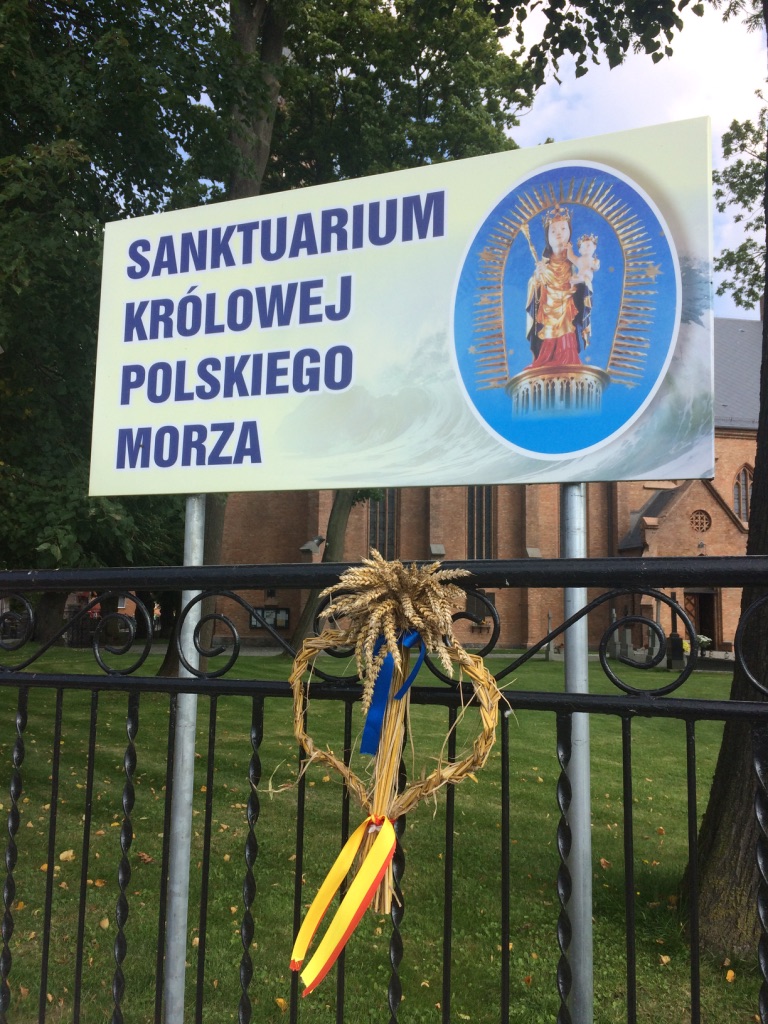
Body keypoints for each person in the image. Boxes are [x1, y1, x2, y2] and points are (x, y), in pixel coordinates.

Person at [525, 206, 591, 367]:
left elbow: (585, 278)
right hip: (549, 307)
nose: (558, 233)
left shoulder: (574, 261)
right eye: (553, 231)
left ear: (569, 232)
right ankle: (545, 359)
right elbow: (535, 287)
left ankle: (568, 358)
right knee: (548, 332)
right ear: (547, 237)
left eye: (563, 228)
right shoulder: (544, 265)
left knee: (567, 329)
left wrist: (582, 281)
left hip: (568, 304)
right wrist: (537, 278)